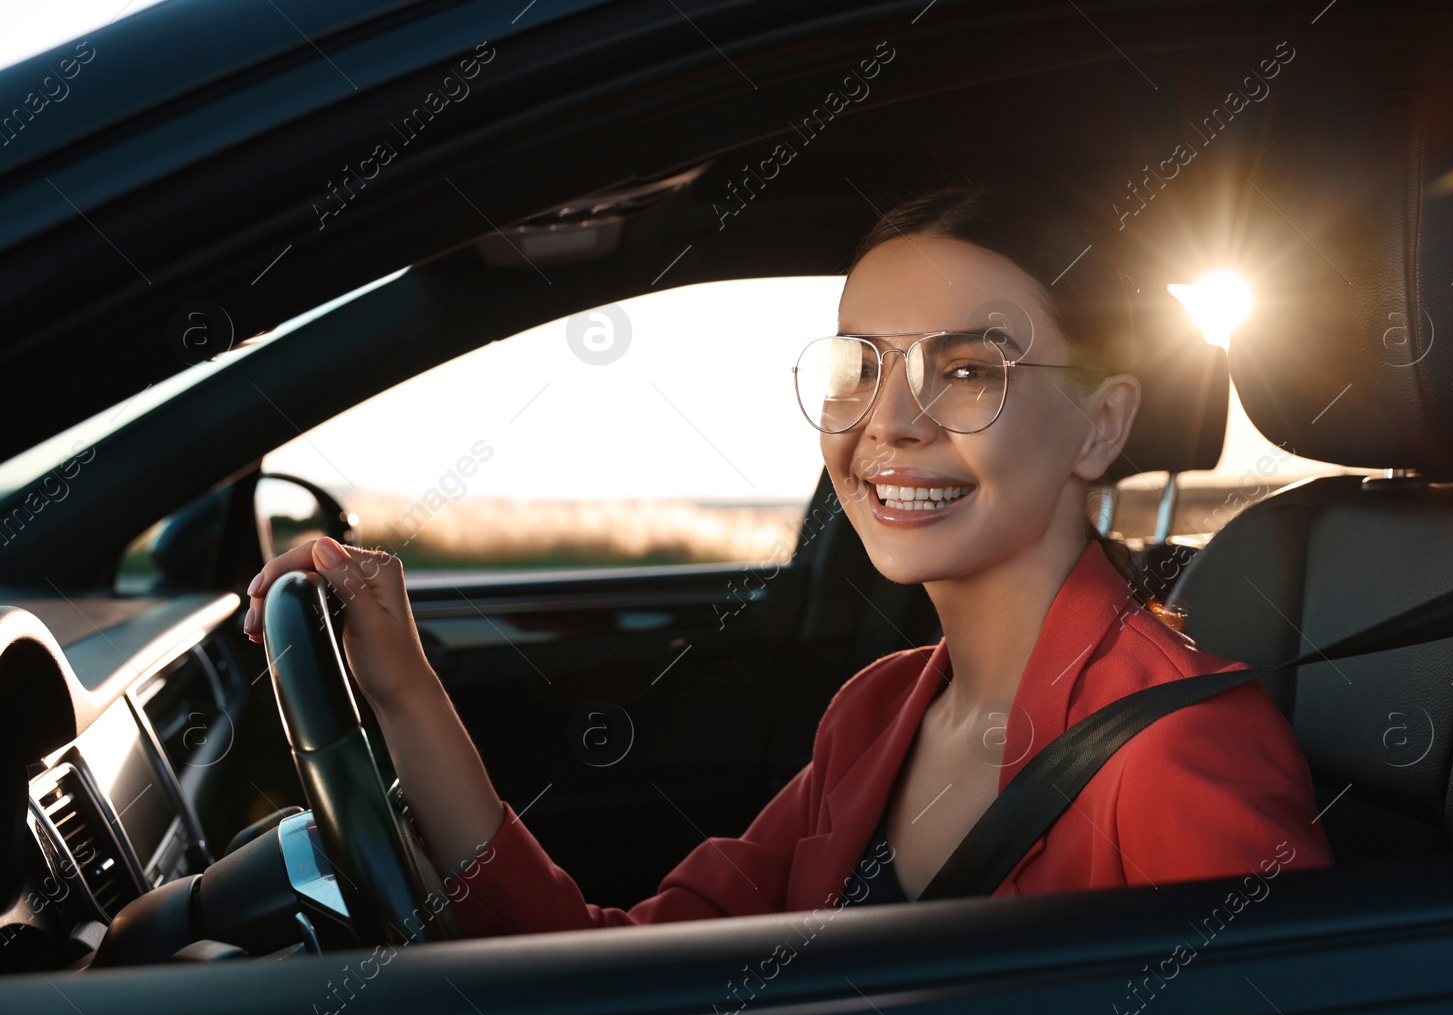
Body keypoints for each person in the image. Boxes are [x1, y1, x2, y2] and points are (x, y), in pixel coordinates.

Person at [241, 181, 1332, 936]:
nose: (888, 423)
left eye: (966, 369)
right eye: (860, 366)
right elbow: (604, 953)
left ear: (1100, 426)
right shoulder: (877, 711)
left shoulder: (1177, 747)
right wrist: (404, 689)